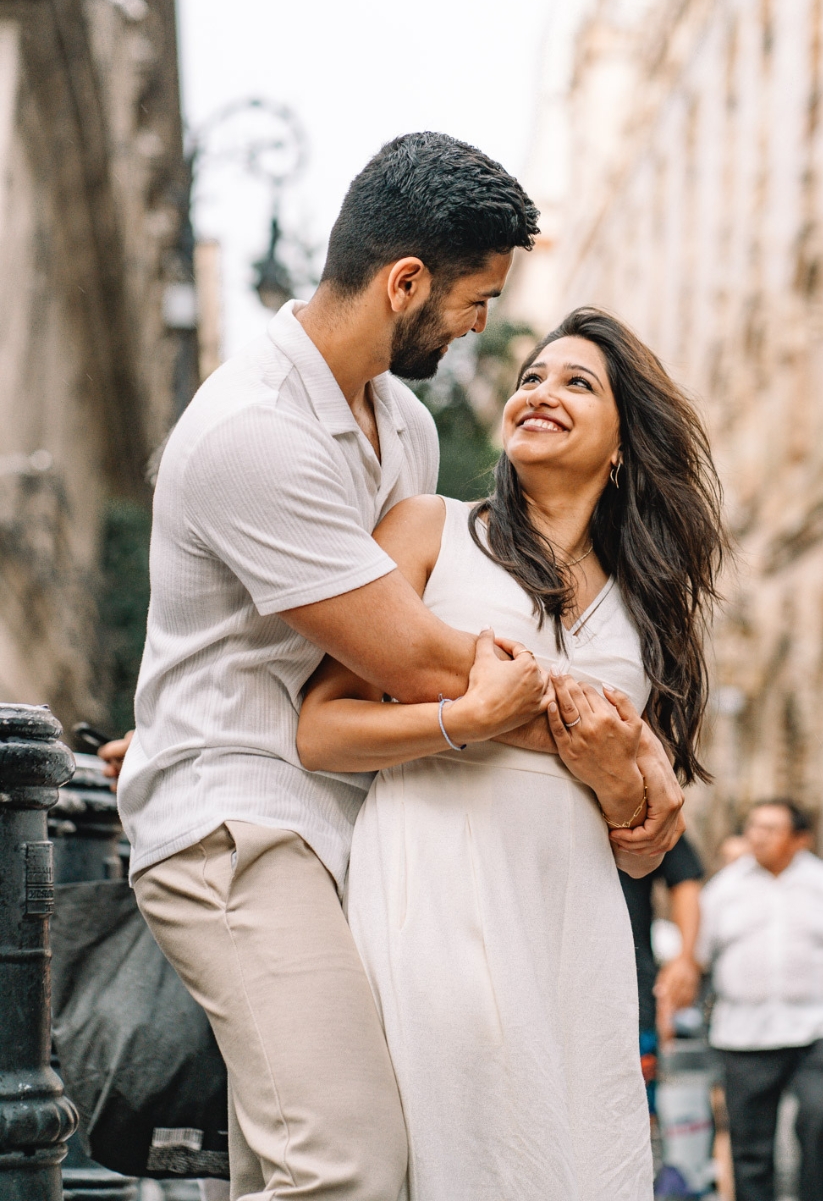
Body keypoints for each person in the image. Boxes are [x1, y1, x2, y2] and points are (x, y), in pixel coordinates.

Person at [117, 135, 685, 1201]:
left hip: (345, 824)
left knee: (293, 1161)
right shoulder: (254, 430)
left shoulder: (405, 427)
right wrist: (629, 754)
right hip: (238, 818)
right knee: (346, 1162)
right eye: (477, 303)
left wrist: (633, 765)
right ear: (406, 283)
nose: (482, 328)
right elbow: (421, 658)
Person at [297, 307, 729, 1200]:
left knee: (572, 1154)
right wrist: (467, 719)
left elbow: (648, 836)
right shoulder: (429, 530)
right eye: (532, 377)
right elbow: (322, 729)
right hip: (434, 872)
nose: (541, 392)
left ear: (621, 445)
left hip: (572, 910)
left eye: (577, 383)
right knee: (459, 1139)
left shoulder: (650, 608)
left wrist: (619, 790)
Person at [697, 799, 823, 1201]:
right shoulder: (723, 889)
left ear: (800, 839)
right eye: (753, 826)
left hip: (819, 1027)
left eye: (770, 829)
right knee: (751, 1147)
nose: (757, 836)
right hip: (744, 1034)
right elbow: (697, 957)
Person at [619, 834, 704, 1115]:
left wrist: (684, 959)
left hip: (629, 989)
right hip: (534, 984)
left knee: (632, 1106)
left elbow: (685, 880)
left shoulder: (636, 799)